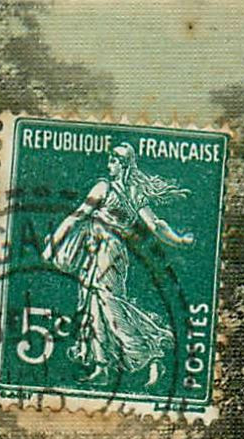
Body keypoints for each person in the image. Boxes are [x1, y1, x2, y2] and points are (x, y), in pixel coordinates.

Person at [41, 143, 194, 386]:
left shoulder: (122, 191)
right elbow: (78, 215)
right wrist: (55, 242)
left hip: (110, 251)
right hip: (93, 249)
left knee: (108, 303)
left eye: (113, 161)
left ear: (123, 165)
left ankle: (148, 351)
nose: (108, 165)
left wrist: (179, 240)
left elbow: (156, 225)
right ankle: (102, 366)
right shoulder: (115, 189)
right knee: (93, 306)